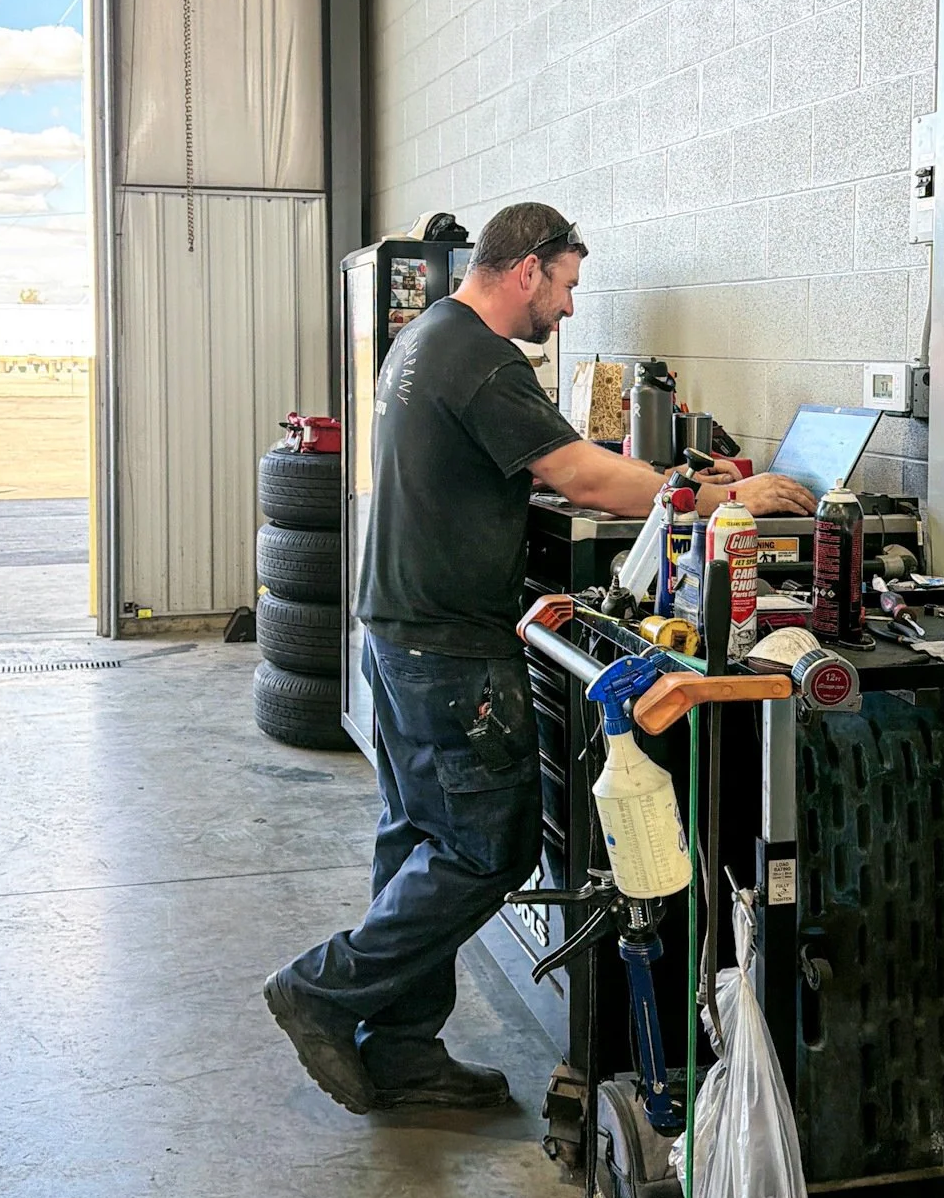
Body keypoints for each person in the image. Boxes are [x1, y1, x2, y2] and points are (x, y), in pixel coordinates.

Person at [264, 202, 815, 1113]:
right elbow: (583, 475)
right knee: (489, 848)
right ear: (525, 268)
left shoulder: (430, 337)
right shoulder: (481, 359)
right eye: (563, 286)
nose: (564, 309)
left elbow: (559, 457)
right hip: (447, 651)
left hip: (399, 635)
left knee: (419, 842)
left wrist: (690, 479)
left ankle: (400, 1045)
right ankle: (322, 987)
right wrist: (725, 495)